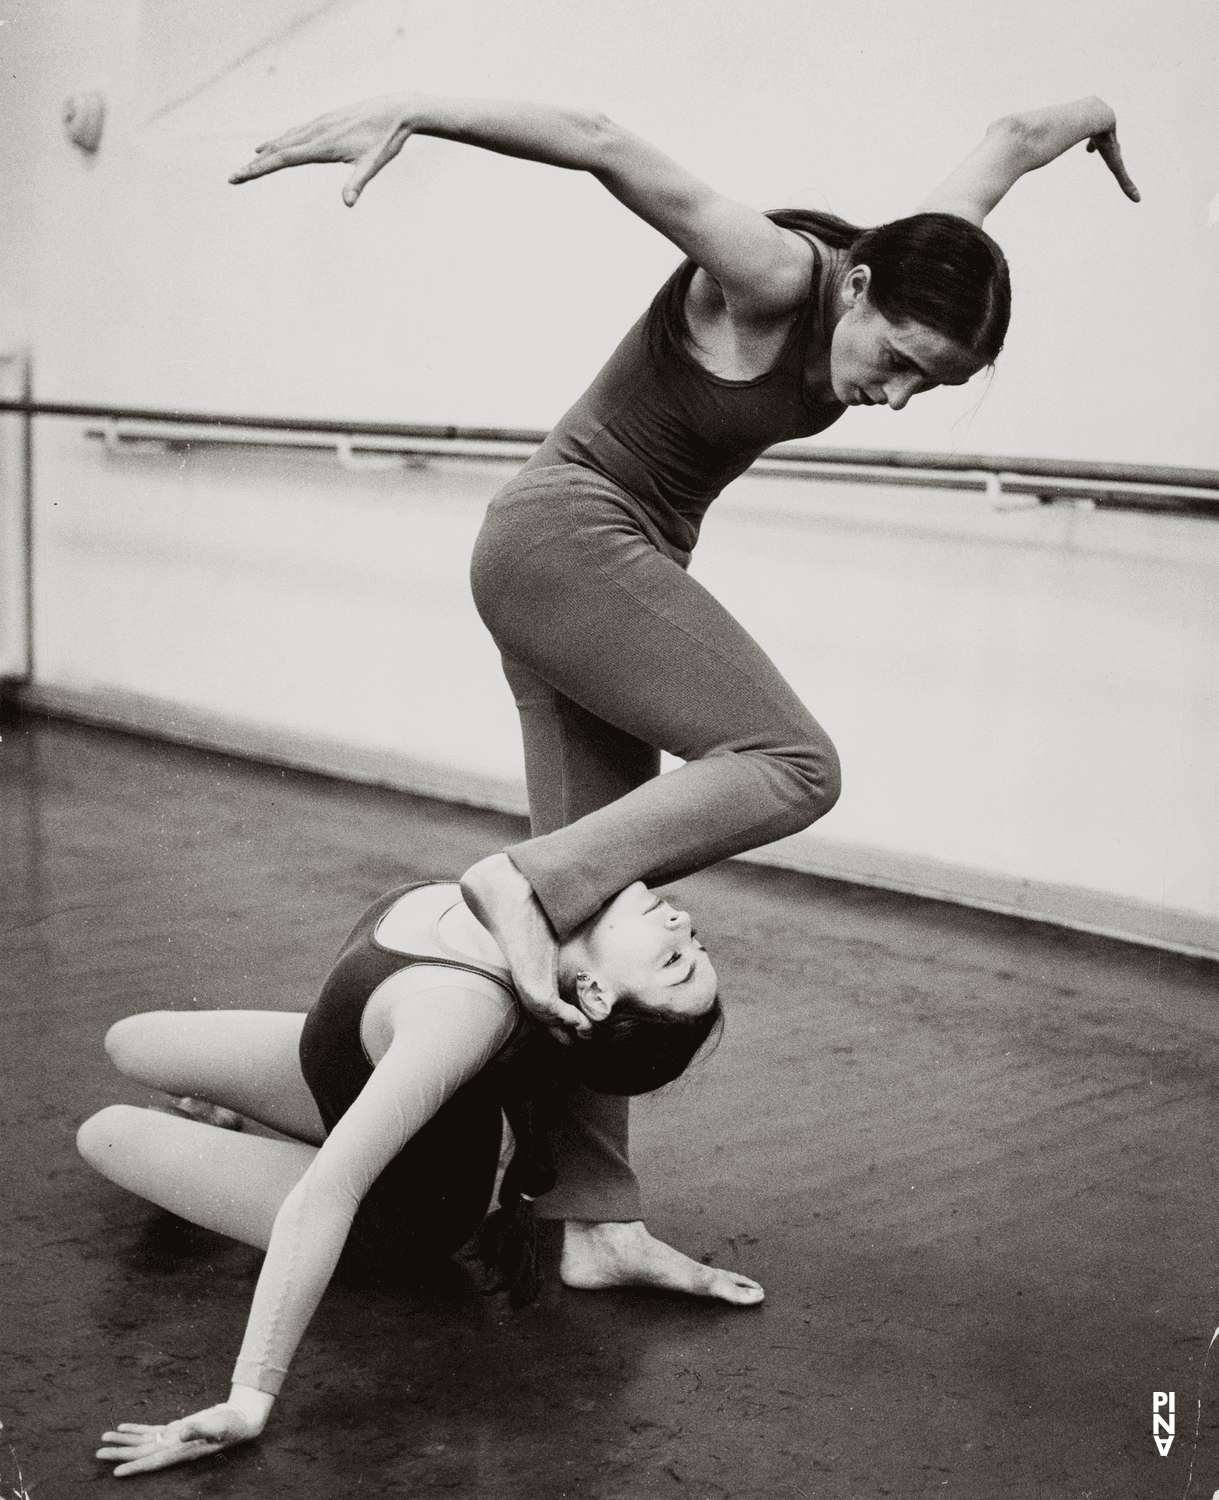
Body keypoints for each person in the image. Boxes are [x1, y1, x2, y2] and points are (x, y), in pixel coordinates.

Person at [229, 88, 1139, 1288]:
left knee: (591, 917)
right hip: (567, 541)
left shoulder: (917, 259)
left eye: (934, 387)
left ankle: (591, 1219)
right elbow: (602, 144)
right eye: (901, 365)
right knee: (791, 765)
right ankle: (513, 878)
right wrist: (411, 113)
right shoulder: (768, 274)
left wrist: (1097, 118)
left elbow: (1012, 140)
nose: (898, 399)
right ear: (855, 289)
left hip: (593, 563)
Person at [79, 877, 746, 1476]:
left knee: (107, 1132)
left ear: (596, 992)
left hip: (398, 1212)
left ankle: (259, 1145)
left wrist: (247, 1400)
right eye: (693, 944)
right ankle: (260, 1133)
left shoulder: (460, 1013)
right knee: (128, 1041)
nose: (684, 925)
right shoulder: (528, 893)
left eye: (673, 962)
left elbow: (327, 1195)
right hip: (344, 1076)